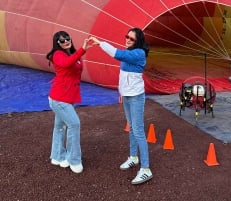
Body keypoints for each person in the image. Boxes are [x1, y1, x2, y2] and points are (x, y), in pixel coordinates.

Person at [91, 28, 153, 185]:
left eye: (131, 39)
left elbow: (117, 54)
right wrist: (122, 92)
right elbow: (124, 76)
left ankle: (146, 169)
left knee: (138, 131)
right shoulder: (130, 51)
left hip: (136, 97)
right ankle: (133, 157)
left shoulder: (138, 54)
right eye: (127, 37)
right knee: (132, 127)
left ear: (138, 41)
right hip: (127, 96)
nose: (127, 40)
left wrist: (100, 43)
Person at [46, 31, 93, 174]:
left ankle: (57, 156)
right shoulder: (57, 55)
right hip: (59, 99)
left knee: (60, 126)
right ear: (57, 43)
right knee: (74, 124)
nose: (66, 41)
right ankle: (74, 160)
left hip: (68, 97)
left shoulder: (72, 54)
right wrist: (83, 49)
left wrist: (79, 51)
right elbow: (66, 64)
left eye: (67, 38)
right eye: (62, 41)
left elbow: (74, 63)